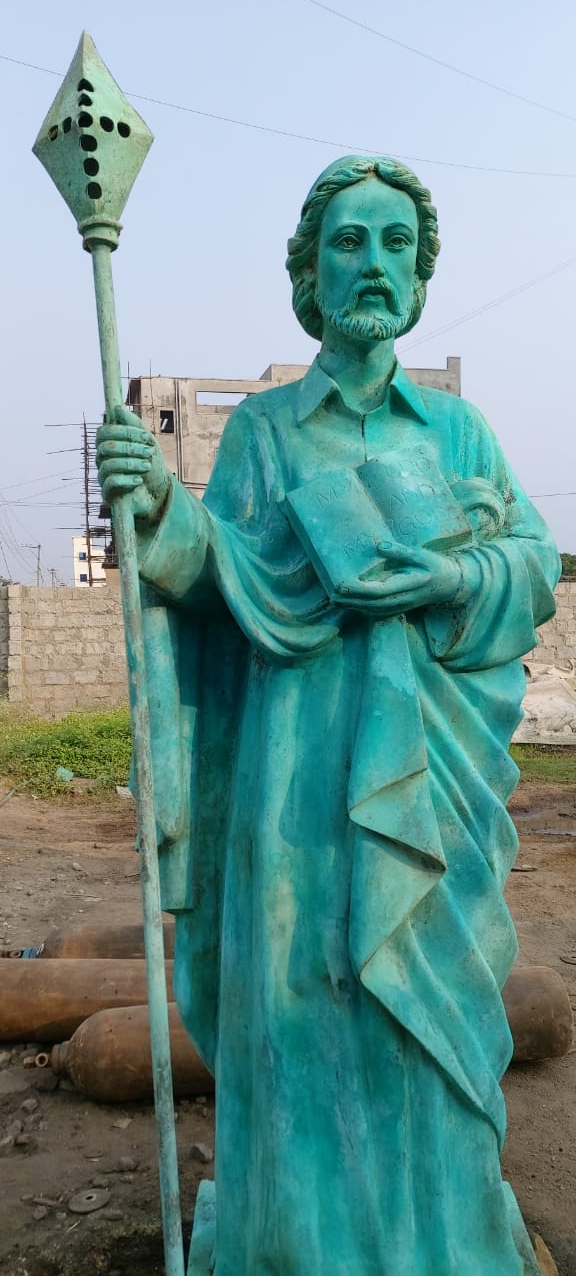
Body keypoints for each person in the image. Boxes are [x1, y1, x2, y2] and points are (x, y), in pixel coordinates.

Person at [97, 157, 559, 1275]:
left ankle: (436, 1240)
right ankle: (298, 1244)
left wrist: (449, 578)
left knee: (425, 1019)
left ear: (421, 275)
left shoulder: (458, 432)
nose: (375, 265)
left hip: (430, 791)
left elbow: (534, 564)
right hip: (295, 781)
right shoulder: (265, 433)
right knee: (298, 1004)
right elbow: (220, 575)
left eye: (398, 245)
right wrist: (159, 505)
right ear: (310, 273)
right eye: (350, 242)